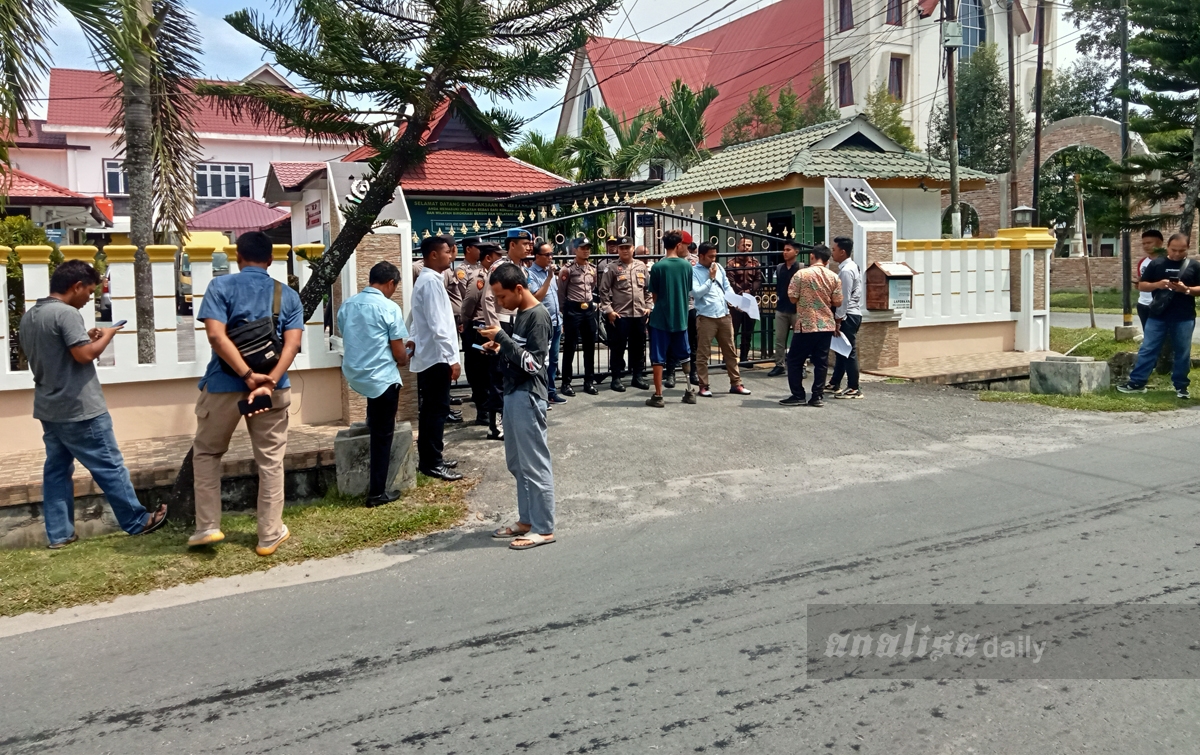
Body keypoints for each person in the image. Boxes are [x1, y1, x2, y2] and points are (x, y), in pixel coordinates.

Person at [20, 260, 168, 549]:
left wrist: (85, 340)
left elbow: (59, 353)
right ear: (76, 287)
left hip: (49, 408)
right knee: (110, 467)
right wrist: (108, 335)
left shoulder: (32, 315)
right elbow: (84, 356)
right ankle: (138, 521)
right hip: (80, 408)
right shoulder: (66, 313)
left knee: (56, 472)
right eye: (89, 291)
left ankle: (60, 534)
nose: (90, 298)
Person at [190, 231, 303, 555]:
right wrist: (266, 381)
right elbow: (292, 345)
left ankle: (207, 527)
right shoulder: (287, 295)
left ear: (237, 257)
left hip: (224, 386)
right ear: (270, 260)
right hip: (272, 389)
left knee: (208, 454)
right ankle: (269, 534)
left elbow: (215, 336)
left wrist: (246, 375)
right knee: (270, 461)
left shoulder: (220, 286)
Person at [479, 263, 557, 550]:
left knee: (535, 464)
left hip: (528, 395)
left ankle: (544, 528)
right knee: (517, 464)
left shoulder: (538, 316)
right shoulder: (522, 313)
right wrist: (501, 347)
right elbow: (519, 352)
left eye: (502, 297)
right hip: (513, 393)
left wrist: (501, 338)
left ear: (519, 289)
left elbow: (534, 364)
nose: (500, 303)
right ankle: (527, 520)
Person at [337, 260, 411, 506]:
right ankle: (377, 492)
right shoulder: (389, 307)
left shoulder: (347, 304)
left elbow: (349, 334)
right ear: (391, 283)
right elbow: (399, 354)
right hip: (381, 377)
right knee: (383, 435)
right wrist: (407, 354)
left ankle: (372, 419)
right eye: (395, 287)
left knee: (375, 411)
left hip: (356, 373)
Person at [408, 235, 465, 480]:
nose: (451, 256)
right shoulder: (430, 282)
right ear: (433, 255)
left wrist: (411, 338)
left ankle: (433, 458)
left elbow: (415, 318)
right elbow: (437, 324)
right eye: (446, 252)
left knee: (435, 410)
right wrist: (452, 358)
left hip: (433, 356)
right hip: (436, 358)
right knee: (435, 411)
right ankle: (431, 462)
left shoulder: (430, 279)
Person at [1118, 232, 1199, 398]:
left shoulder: (1194, 266)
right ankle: (1137, 383)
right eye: (1173, 250)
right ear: (1167, 247)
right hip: (1158, 315)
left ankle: (1181, 387)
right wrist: (1158, 284)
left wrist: (1187, 290)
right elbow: (1142, 285)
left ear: (1187, 248)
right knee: (1148, 349)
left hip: (1184, 316)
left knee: (1182, 352)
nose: (1177, 254)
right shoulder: (1157, 264)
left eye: (1181, 250)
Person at [779, 244, 842, 408]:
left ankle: (798, 394)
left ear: (812, 256)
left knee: (794, 360)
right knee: (821, 362)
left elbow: (792, 297)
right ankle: (817, 396)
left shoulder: (801, 274)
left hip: (806, 324)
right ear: (827, 261)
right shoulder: (834, 277)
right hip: (826, 324)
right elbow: (838, 301)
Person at [645, 230, 698, 408]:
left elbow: (654, 295)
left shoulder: (658, 267)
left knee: (658, 357)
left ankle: (658, 394)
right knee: (685, 353)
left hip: (660, 318)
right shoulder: (687, 266)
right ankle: (690, 391)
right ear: (678, 245)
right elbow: (688, 289)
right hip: (681, 316)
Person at [692, 243, 751, 397]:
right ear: (701, 256)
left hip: (724, 314)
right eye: (710, 256)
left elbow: (726, 286)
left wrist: (733, 299)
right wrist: (710, 279)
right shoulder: (693, 271)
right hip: (706, 316)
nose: (713, 259)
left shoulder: (718, 267)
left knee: (730, 351)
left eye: (715, 256)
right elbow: (696, 293)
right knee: (703, 353)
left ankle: (736, 383)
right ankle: (703, 385)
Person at [599, 236, 651, 391]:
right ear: (618, 250)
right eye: (622, 248)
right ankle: (616, 378)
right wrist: (609, 311)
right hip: (621, 315)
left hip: (639, 314)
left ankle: (638, 376)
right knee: (618, 348)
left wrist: (648, 306)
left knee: (638, 347)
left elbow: (647, 289)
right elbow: (603, 291)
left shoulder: (641, 266)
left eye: (627, 247)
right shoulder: (612, 267)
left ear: (633, 248)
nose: (625, 250)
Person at [461, 242, 502, 426]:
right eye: (497, 256)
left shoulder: (492, 276)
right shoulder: (480, 276)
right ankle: (483, 411)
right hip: (478, 328)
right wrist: (467, 320)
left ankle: (488, 410)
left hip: (487, 328)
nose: (500, 260)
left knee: (490, 372)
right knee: (479, 372)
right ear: (488, 258)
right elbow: (469, 301)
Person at [525, 242, 566, 404]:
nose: (550, 258)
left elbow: (554, 298)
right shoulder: (531, 274)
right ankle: (540, 394)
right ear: (537, 256)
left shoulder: (550, 272)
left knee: (554, 360)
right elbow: (536, 298)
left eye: (551, 254)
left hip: (555, 322)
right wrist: (549, 278)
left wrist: (560, 320)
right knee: (541, 360)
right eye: (547, 255)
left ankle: (551, 391)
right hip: (541, 324)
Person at [557, 237, 599, 396]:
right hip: (573, 310)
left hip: (588, 309)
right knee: (570, 347)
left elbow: (592, 286)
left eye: (588, 247)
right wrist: (563, 311)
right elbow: (561, 292)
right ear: (575, 250)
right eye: (582, 248)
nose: (586, 250)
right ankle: (566, 383)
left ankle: (589, 381)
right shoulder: (567, 270)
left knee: (589, 347)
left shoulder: (592, 269)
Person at [827, 237, 864, 399]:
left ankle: (854, 387)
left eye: (834, 250)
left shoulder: (847, 270)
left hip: (848, 315)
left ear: (843, 252)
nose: (832, 253)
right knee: (841, 350)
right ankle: (835, 382)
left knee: (848, 351)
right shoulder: (850, 267)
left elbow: (844, 298)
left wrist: (838, 319)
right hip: (850, 314)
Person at [664, 232, 699, 388]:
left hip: (692, 306)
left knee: (693, 341)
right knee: (672, 341)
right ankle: (670, 372)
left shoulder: (695, 262)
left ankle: (693, 372)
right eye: (686, 244)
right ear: (679, 244)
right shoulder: (664, 261)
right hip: (673, 308)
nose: (689, 248)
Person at [767, 241, 803, 378]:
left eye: (788, 249)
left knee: (799, 339)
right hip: (782, 308)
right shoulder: (779, 267)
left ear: (796, 252)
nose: (785, 252)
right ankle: (779, 365)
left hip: (797, 309)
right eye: (784, 249)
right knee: (780, 339)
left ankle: (801, 365)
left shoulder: (801, 268)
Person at [727, 237, 764, 365]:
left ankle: (744, 358)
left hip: (750, 301)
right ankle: (729, 360)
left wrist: (749, 291)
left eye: (749, 245)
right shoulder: (731, 263)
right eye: (744, 245)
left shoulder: (755, 263)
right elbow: (730, 281)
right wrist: (741, 292)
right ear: (738, 247)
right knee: (733, 332)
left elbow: (758, 280)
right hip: (735, 301)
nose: (746, 247)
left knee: (747, 331)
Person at [1137, 230, 1165, 329]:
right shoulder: (1142, 262)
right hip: (1143, 304)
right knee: (1148, 335)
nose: (1146, 246)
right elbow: (1141, 281)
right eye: (1143, 243)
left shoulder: (1168, 261)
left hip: (1161, 305)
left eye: (1149, 243)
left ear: (1160, 243)